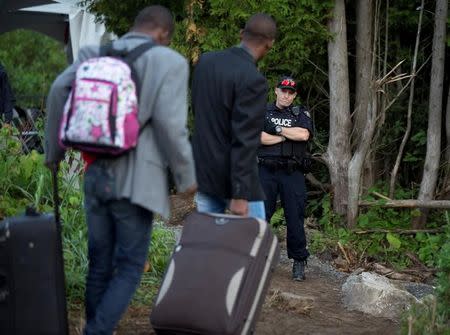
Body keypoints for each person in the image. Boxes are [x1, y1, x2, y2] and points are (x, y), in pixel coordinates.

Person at [44, 5, 197, 334]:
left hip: (96, 174)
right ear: (164, 35)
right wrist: (187, 178)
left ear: (135, 26)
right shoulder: (167, 61)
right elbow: (171, 127)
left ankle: (98, 327)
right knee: (129, 267)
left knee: (99, 263)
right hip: (137, 180)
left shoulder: (93, 53)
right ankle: (96, 331)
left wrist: (53, 155)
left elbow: (58, 90)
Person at [191, 13, 277, 219]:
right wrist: (239, 194)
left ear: (241, 34)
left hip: (205, 174)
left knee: (209, 246)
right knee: (252, 246)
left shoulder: (205, 63)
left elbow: (199, 114)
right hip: (237, 183)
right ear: (269, 45)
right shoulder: (253, 79)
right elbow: (246, 138)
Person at [257, 76, 313, 281]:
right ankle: (258, 261)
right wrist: (286, 136)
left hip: (292, 172)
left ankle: (299, 261)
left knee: (295, 216)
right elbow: (259, 137)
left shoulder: (300, 113)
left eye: (291, 93)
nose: (286, 95)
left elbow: (303, 135)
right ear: (276, 91)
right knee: (261, 216)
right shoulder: (263, 111)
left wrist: (278, 130)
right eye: (283, 91)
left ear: (294, 95)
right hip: (266, 171)